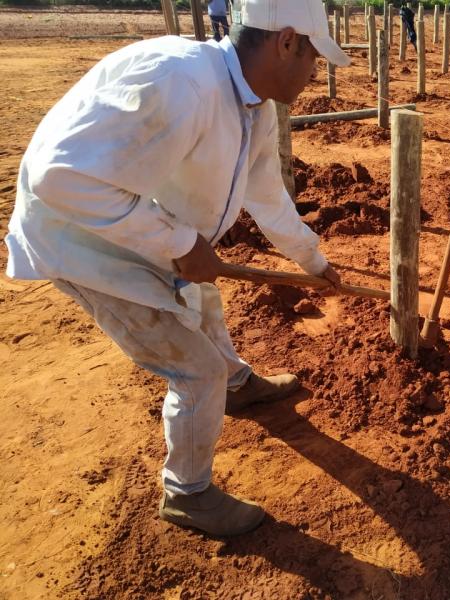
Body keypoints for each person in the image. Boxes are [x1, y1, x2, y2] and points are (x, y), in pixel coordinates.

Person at [4, 0, 350, 536]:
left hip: (144, 236)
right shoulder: (180, 83)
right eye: (313, 57)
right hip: (87, 247)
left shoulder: (252, 105)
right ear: (286, 42)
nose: (314, 73)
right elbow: (59, 179)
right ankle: (187, 493)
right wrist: (182, 242)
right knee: (195, 368)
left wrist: (313, 259)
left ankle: (237, 384)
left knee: (202, 296)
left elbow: (267, 194)